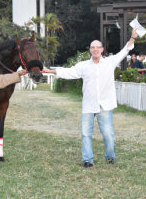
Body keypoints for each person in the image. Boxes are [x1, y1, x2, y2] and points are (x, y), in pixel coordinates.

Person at [43, 28, 138, 168]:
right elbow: (69, 72)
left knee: (107, 134)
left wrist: (133, 37)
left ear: (102, 49)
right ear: (90, 51)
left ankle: (110, 157)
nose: (95, 50)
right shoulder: (83, 66)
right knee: (85, 134)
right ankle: (87, 160)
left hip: (104, 105)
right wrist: (49, 71)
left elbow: (124, 51)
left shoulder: (109, 62)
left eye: (97, 47)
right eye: (92, 47)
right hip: (88, 104)